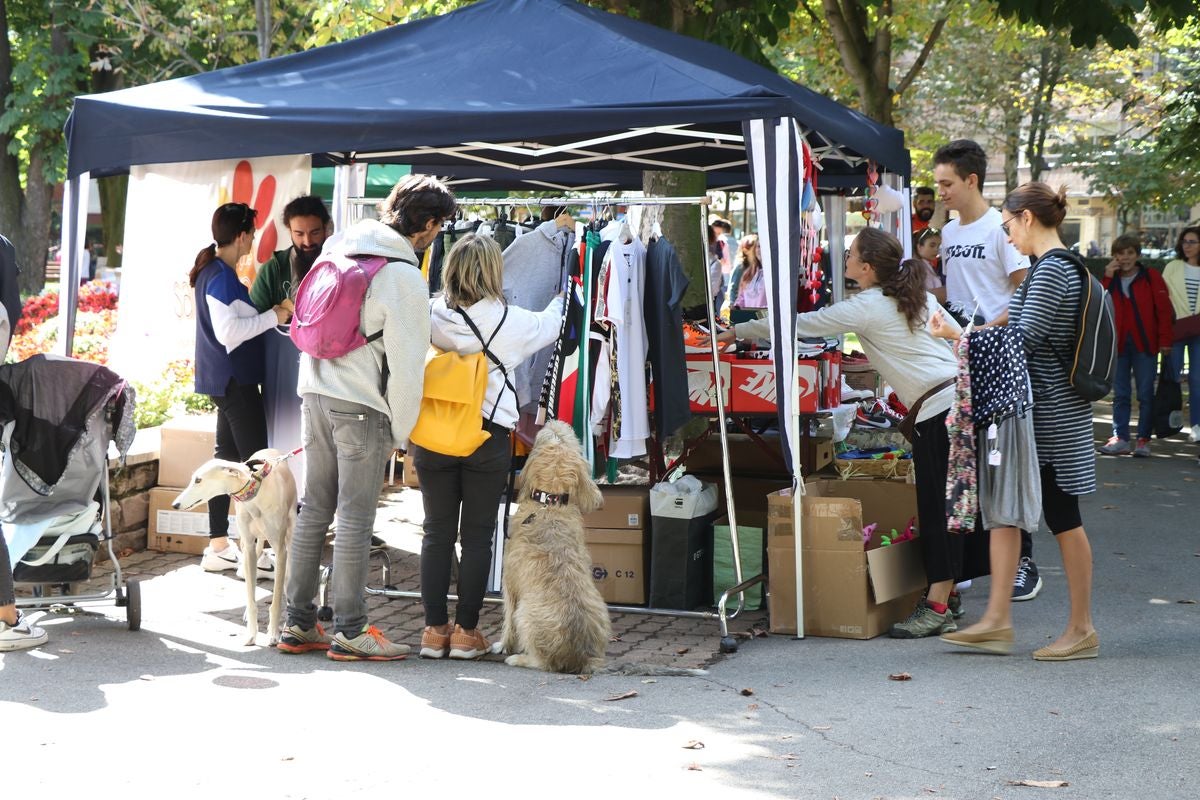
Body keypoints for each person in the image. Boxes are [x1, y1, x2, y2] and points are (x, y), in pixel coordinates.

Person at [717, 227, 967, 638]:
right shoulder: (911, 297)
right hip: (955, 404)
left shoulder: (869, 305)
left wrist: (737, 331)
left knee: (939, 511)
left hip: (940, 412)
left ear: (866, 267)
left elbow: (804, 324)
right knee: (949, 508)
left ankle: (938, 603)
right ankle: (947, 593)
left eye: (850, 254)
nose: (845, 258)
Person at [280, 174, 455, 662]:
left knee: (315, 508)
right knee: (355, 517)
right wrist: (400, 430)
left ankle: (298, 623)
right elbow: (405, 365)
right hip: (360, 406)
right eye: (439, 227)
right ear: (431, 224)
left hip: (312, 392)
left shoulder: (338, 248)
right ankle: (352, 629)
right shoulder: (401, 275)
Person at [937, 182, 1100, 661]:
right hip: (1038, 412)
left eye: (1008, 226)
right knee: (1005, 512)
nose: (1007, 238)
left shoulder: (1051, 272)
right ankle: (996, 620)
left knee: (1062, 516)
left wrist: (956, 336)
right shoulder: (1052, 270)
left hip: (1051, 416)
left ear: (1027, 218)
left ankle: (1081, 628)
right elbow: (1014, 329)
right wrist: (969, 332)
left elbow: (1020, 342)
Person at [416, 232, 565, 660]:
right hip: (486, 437)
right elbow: (552, 324)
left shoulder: (429, 313)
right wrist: (562, 293)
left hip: (434, 433)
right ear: (494, 272)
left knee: (436, 532)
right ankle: (466, 633)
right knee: (478, 536)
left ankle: (432, 631)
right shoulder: (510, 321)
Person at [933, 139, 1042, 602]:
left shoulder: (1001, 228)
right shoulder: (951, 232)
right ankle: (978, 560)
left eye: (946, 183)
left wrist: (981, 331)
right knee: (970, 461)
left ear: (971, 180)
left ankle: (1025, 563)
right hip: (962, 357)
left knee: (1004, 462)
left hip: (998, 357)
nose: (940, 192)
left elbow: (1022, 293)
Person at [189, 203, 290, 575]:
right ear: (244, 235)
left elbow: (232, 324)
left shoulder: (216, 271)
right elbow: (228, 332)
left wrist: (268, 315)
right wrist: (274, 317)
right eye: (252, 234)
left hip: (226, 380)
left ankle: (219, 545)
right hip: (235, 381)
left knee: (227, 462)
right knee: (255, 467)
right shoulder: (220, 275)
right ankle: (256, 553)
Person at [1098, 235, 1174, 457]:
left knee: (1145, 394)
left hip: (1145, 345)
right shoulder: (1110, 279)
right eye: (1120, 253)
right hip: (1119, 346)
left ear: (1137, 255)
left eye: (1130, 253)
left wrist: (1165, 341)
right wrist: (1107, 277)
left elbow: (1163, 311)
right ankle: (1120, 437)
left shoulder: (1150, 277)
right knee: (1121, 394)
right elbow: (1099, 306)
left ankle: (1142, 439)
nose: (1125, 258)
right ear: (1115, 256)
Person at [1162, 226, 1200, 442]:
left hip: (1198, 332)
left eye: (1192, 241)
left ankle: (1197, 428)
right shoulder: (1172, 266)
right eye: (1185, 241)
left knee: (1197, 381)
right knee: (1171, 379)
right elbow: (1164, 298)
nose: (1187, 245)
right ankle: (1168, 424)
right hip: (1177, 328)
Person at [728, 233, 766, 324]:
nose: (760, 250)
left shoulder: (776, 274)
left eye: (764, 246)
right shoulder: (749, 272)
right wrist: (736, 306)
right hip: (748, 321)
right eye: (758, 246)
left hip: (765, 321)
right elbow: (741, 296)